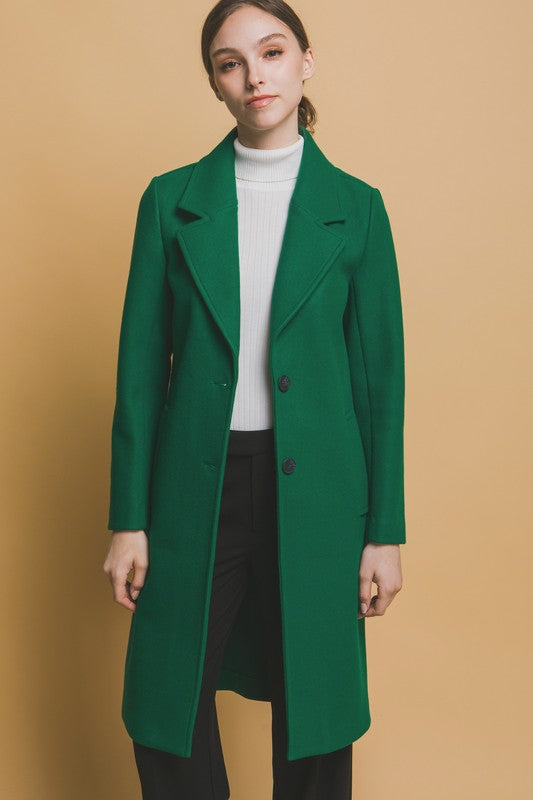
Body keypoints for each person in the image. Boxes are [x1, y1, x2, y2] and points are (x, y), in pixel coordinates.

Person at [103, 0, 406, 797]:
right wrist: (128, 518)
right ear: (215, 83)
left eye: (271, 53)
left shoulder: (358, 208)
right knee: (163, 704)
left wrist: (383, 533)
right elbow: (139, 372)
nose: (253, 76)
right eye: (229, 62)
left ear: (305, 62)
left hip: (320, 490)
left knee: (318, 710)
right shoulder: (170, 202)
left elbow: (380, 384)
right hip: (193, 484)